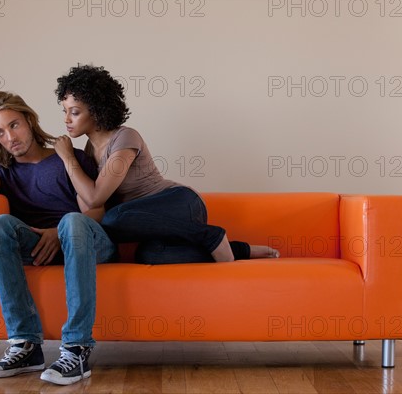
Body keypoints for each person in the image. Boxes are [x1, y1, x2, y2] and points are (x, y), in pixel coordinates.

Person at [0, 90, 116, 386]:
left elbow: (95, 213)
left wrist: (58, 232)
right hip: (40, 248)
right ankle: (25, 344)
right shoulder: (4, 173)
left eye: (14, 125)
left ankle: (76, 348)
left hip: (87, 243)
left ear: (29, 121)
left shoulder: (68, 157)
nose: (10, 137)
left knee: (72, 222)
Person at [52, 65, 279, 264]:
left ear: (97, 110)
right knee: (149, 255)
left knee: (115, 218)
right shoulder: (90, 152)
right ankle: (237, 248)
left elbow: (95, 197)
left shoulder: (125, 137)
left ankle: (208, 234)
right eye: (65, 111)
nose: (66, 120)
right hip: (151, 225)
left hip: (180, 204)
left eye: (75, 112)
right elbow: (93, 212)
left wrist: (68, 158)